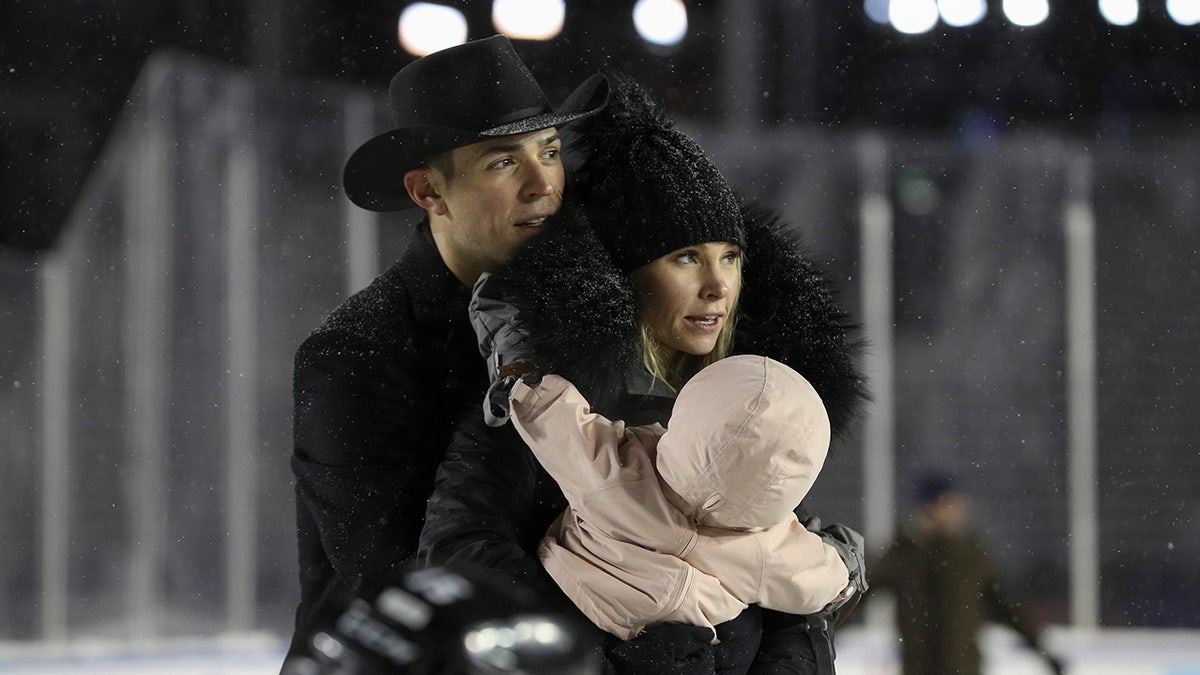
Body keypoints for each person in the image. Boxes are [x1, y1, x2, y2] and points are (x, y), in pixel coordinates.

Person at [419, 71, 869, 674]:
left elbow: (779, 562)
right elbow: (458, 556)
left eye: (729, 258)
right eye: (685, 258)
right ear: (626, 277)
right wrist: (608, 658)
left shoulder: (756, 402)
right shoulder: (544, 399)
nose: (717, 287)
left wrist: (789, 652)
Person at [285, 34, 608, 663]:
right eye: (502, 162)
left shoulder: (589, 320)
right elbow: (406, 585)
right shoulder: (355, 355)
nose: (544, 183)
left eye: (550, 151)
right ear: (428, 192)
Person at [499, 352, 857, 644]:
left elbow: (560, 424)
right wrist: (844, 570)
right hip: (681, 632)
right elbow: (816, 581)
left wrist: (524, 383)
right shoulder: (768, 548)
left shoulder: (618, 470)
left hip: (575, 587)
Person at [871, 470, 1065, 675]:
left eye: (955, 503)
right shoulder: (904, 551)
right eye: (945, 503)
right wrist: (833, 627)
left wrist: (1041, 649)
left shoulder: (971, 552)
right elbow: (861, 592)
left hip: (963, 668)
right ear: (927, 506)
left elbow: (1007, 606)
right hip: (919, 668)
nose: (953, 509)